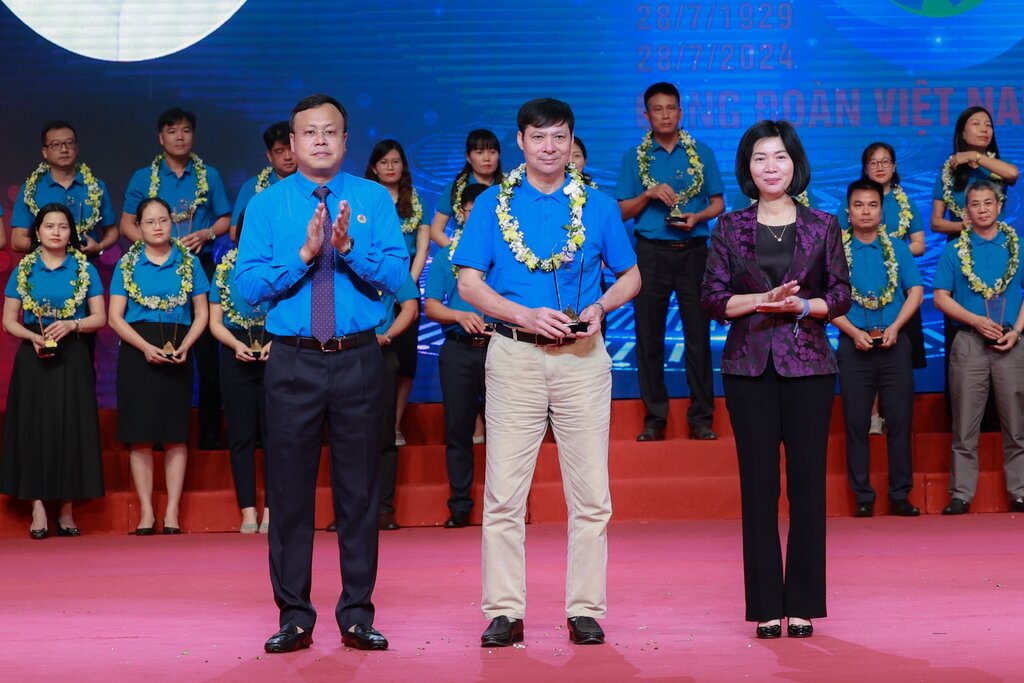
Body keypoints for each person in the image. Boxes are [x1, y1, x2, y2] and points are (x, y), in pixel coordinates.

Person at [455, 98, 640, 648]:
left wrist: (601, 307)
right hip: (514, 355)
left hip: (583, 359)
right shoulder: (492, 205)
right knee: (505, 494)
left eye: (560, 138)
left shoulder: (599, 206)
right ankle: (505, 611)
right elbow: (467, 281)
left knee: (591, 494)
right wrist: (522, 313)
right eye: (539, 138)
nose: (550, 148)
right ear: (521, 143)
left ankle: (585, 608)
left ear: (571, 141)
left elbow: (630, 276)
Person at [235, 93, 407, 654]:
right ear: (292, 142)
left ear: (345, 139)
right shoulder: (267, 206)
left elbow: (400, 280)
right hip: (292, 360)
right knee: (289, 495)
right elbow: (248, 290)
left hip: (359, 356)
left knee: (359, 491)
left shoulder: (374, 199)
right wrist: (306, 256)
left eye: (330, 132)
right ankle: (295, 616)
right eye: (309, 133)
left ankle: (357, 613)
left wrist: (348, 248)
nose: (320, 141)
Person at [700, 120, 851, 640]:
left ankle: (805, 602)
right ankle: (766, 604)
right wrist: (762, 303)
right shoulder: (729, 228)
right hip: (748, 369)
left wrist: (803, 305)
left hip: (809, 366)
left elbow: (841, 294)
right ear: (747, 168)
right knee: (759, 489)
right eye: (761, 158)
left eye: (780, 157)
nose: (771, 166)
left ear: (796, 164)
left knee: (808, 487)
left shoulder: (823, 225)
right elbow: (712, 299)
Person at [616, 82, 724, 442]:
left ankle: (701, 418)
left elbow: (718, 203)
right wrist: (647, 194)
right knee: (649, 337)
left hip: (693, 252)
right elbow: (620, 212)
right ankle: (655, 418)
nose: (665, 115)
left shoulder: (701, 152)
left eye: (671, 108)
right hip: (650, 254)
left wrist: (698, 218)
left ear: (681, 112)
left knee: (698, 336)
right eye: (657, 110)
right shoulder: (635, 158)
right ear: (646, 115)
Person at [120, 107, 232, 450]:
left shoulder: (208, 174)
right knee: (157, 349)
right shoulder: (144, 177)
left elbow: (225, 219)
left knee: (208, 355)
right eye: (172, 130)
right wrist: (159, 247)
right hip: (157, 271)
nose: (180, 136)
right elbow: (126, 223)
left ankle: (210, 430)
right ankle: (155, 431)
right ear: (160, 137)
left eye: (186, 130)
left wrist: (207, 235)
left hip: (200, 266)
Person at [1, 203, 106, 538]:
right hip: (33, 356)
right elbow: (7, 321)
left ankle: (66, 508)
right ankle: (36, 507)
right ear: (37, 232)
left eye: (63, 227)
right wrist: (33, 335)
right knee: (32, 428)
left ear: (70, 232)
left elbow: (99, 318)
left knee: (71, 427)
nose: (56, 232)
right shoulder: (25, 269)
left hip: (72, 354)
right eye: (49, 226)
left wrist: (73, 324)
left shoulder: (84, 269)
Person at [108, 197, 210, 535]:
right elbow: (115, 318)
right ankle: (147, 513)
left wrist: (186, 346)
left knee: (175, 435)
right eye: (149, 221)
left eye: (163, 220)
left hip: (178, 348)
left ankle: (173, 513)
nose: (157, 226)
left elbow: (202, 313)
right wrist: (145, 347)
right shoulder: (127, 264)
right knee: (139, 436)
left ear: (173, 223)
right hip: (139, 351)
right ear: (137, 227)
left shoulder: (188, 263)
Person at [832, 179, 923, 518]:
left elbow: (914, 290)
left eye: (872, 205)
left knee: (900, 421)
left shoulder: (896, 247)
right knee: (855, 422)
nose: (865, 211)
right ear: (848, 211)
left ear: (882, 211)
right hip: (853, 344)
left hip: (894, 343)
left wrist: (897, 327)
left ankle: (900, 494)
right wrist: (853, 331)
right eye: (859, 205)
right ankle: (863, 496)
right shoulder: (836, 249)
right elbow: (828, 301)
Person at [932, 180, 1024, 515]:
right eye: (975, 204)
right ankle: (961, 494)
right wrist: (975, 320)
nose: (982, 209)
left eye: (988, 203)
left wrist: (1018, 332)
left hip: (1011, 343)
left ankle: (1021, 491)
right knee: (964, 426)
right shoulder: (954, 250)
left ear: (999, 207)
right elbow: (941, 297)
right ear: (966, 211)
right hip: (969, 343)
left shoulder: (1018, 246)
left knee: (1017, 425)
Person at [841, 142, 929, 433]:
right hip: (862, 291)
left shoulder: (906, 202)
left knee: (897, 360)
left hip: (896, 290)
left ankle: (894, 416)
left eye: (885, 161)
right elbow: (842, 245)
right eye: (873, 162)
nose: (880, 167)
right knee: (866, 359)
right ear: (865, 168)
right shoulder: (855, 201)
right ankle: (872, 416)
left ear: (894, 167)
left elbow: (919, 243)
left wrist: (890, 251)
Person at [424, 183, 490, 528]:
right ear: (462, 213)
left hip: (500, 348)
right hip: (459, 351)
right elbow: (432, 305)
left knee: (508, 431)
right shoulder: (447, 257)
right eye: (470, 209)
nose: (476, 214)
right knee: (458, 430)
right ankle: (460, 505)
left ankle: (504, 506)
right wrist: (459, 315)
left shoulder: (506, 254)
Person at [208, 211, 271, 534]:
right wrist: (235, 344)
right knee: (242, 435)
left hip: (276, 351)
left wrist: (279, 343)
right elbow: (214, 321)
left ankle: (272, 511)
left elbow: (290, 310)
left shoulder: (281, 266)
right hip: (235, 351)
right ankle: (248, 509)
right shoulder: (224, 270)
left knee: (277, 436)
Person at [365, 139, 428, 447]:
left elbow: (423, 244)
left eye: (396, 161)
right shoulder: (366, 199)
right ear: (374, 168)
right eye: (384, 162)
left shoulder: (414, 200)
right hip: (371, 283)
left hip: (405, 287)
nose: (390, 167)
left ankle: (396, 424)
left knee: (403, 364)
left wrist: (407, 284)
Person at [9, 121, 118, 258]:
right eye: (56, 145)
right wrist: (54, 245)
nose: (64, 149)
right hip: (43, 269)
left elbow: (112, 232)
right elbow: (17, 240)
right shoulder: (31, 190)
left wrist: (100, 247)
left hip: (85, 268)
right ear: (45, 152)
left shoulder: (96, 187)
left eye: (69, 143)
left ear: (76, 148)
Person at [374, 274, 420, 530]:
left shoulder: (391, 265)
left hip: (382, 352)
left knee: (384, 434)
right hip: (343, 354)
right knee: (343, 434)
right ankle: (347, 509)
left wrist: (388, 337)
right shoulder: (339, 260)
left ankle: (383, 508)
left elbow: (411, 309)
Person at [428, 129, 502, 248]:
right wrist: (458, 254)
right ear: (468, 157)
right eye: (479, 152)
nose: (487, 158)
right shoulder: (456, 188)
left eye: (492, 152)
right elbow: (436, 231)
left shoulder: (509, 188)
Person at [230, 122, 297, 232]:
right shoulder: (251, 186)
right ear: (270, 156)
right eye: (280, 152)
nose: (287, 157)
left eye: (291, 149)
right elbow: (234, 232)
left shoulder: (313, 182)